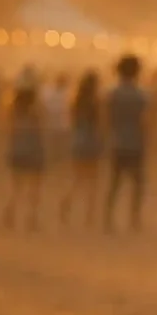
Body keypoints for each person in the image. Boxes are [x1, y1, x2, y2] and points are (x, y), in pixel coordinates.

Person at [104, 54, 148, 233]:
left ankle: (107, 219)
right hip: (135, 143)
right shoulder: (140, 95)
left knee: (114, 183)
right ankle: (134, 219)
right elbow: (145, 122)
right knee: (137, 184)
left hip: (117, 142)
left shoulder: (112, 93)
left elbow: (106, 120)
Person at [3, 67, 46, 231]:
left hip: (17, 149)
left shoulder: (12, 107)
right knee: (34, 187)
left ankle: (10, 215)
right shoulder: (36, 108)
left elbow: (7, 128)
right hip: (34, 150)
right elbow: (42, 127)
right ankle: (31, 219)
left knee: (15, 186)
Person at [60, 70, 104, 227]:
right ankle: (89, 217)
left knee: (77, 178)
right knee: (93, 182)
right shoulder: (96, 102)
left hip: (78, 140)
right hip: (91, 142)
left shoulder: (76, 101)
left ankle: (66, 202)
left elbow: (71, 121)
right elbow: (101, 123)